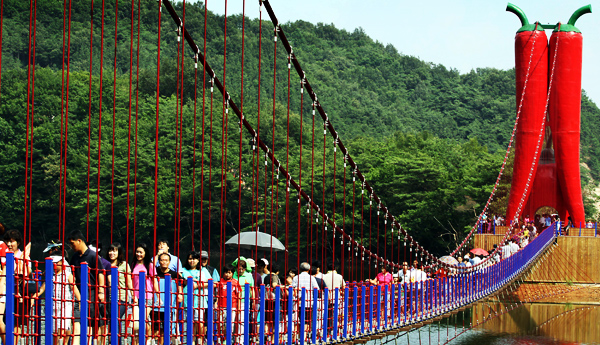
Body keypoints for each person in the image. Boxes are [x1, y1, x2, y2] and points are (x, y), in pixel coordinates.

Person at [67, 230, 106, 345]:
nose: (71, 246)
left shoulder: (93, 256)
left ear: (79, 241)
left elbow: (100, 273)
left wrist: (101, 291)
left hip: (92, 291)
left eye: (72, 243)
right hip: (78, 292)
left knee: (92, 319)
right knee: (78, 319)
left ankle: (92, 341)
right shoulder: (74, 257)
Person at [33, 256, 81, 345]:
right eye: (53, 263)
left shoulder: (67, 274)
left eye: (56, 263)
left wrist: (80, 300)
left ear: (61, 263)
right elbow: (42, 289)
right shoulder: (50, 275)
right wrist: (33, 297)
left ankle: (63, 342)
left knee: (62, 329)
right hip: (54, 306)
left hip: (65, 305)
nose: (55, 265)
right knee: (55, 331)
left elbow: (73, 288)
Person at [152, 252, 185, 345]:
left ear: (170, 262)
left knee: (167, 327)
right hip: (156, 304)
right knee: (155, 328)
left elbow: (179, 285)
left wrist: (180, 294)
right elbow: (149, 268)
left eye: (166, 260)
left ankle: (164, 343)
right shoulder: (155, 272)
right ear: (159, 261)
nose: (164, 262)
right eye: (162, 260)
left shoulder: (175, 274)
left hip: (169, 304)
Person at [130, 243, 157, 345]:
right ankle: (137, 341)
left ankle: (148, 340)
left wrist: (157, 295)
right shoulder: (133, 264)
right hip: (135, 296)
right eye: (137, 252)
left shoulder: (150, 265)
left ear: (145, 253)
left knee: (144, 318)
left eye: (141, 252)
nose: (139, 254)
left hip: (147, 295)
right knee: (137, 320)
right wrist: (132, 294)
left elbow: (154, 281)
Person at [181, 250, 210, 345]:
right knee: (189, 321)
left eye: (194, 259)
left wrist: (197, 285)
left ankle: (201, 340)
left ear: (198, 260)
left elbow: (212, 283)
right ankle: (191, 341)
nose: (191, 261)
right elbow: (183, 281)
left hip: (200, 300)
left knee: (200, 321)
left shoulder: (203, 270)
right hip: (187, 299)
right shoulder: (183, 270)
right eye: (190, 259)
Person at [215, 264, 242, 343]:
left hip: (232, 306)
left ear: (233, 273)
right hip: (221, 306)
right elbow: (218, 294)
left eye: (229, 272)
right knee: (220, 324)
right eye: (226, 272)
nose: (227, 274)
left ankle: (228, 339)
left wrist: (238, 307)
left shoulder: (235, 282)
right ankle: (221, 338)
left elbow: (239, 295)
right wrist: (216, 302)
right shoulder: (221, 282)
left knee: (230, 324)